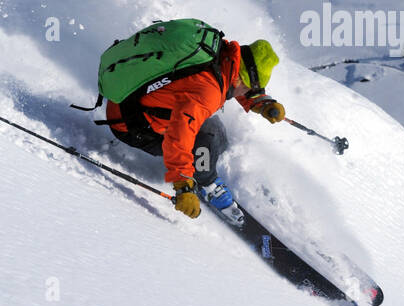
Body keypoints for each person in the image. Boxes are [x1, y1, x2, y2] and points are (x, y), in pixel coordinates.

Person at [103, 32, 285, 222]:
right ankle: (206, 183)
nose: (247, 93)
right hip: (132, 125)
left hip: (126, 104)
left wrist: (261, 103)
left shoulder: (221, 54)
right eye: (250, 89)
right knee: (207, 137)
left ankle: (203, 168)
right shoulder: (208, 91)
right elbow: (179, 136)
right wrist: (183, 184)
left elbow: (228, 82)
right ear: (240, 78)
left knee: (218, 136)